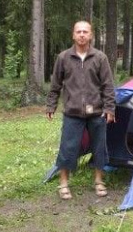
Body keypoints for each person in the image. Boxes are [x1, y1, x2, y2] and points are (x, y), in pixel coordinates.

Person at [46, 21, 116, 200]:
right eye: (79, 32)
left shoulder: (100, 58)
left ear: (91, 35)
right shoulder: (63, 57)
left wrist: (109, 108)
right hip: (72, 112)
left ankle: (99, 181)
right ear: (73, 35)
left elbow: (108, 86)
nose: (82, 35)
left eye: (85, 32)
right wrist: (51, 105)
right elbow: (55, 84)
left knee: (99, 147)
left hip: (97, 112)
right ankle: (63, 183)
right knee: (67, 148)